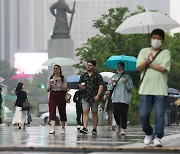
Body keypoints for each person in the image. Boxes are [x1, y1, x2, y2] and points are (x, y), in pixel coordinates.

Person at [137, 29, 171, 147]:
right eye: (154, 37)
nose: (156, 40)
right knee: (143, 114)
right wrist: (147, 60)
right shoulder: (144, 51)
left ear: (162, 40)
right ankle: (149, 132)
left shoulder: (165, 52)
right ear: (151, 38)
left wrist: (149, 63)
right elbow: (139, 68)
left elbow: (163, 68)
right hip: (145, 89)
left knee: (159, 115)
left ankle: (158, 137)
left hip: (160, 89)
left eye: (159, 38)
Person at [107, 62, 133, 135]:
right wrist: (112, 84)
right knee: (115, 113)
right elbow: (109, 87)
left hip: (124, 98)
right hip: (115, 98)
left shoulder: (127, 76)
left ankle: (123, 128)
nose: (119, 68)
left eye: (120, 66)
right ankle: (118, 125)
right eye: (118, 66)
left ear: (123, 67)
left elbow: (130, 87)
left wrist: (126, 82)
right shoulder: (114, 76)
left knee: (123, 114)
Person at [78, 60, 103, 135]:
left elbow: (101, 86)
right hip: (85, 96)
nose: (88, 66)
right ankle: (85, 127)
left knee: (94, 112)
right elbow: (79, 85)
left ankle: (94, 128)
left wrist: (98, 95)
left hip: (94, 97)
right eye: (87, 65)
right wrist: (81, 87)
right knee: (85, 112)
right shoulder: (83, 75)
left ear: (94, 66)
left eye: (90, 65)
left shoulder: (98, 76)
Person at [47, 64, 67, 134]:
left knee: (62, 111)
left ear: (59, 70)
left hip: (61, 94)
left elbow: (65, 89)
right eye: (54, 68)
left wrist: (60, 82)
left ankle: (63, 127)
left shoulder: (63, 78)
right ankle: (52, 128)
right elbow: (47, 90)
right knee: (52, 111)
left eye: (56, 68)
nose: (55, 70)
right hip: (53, 95)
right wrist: (50, 84)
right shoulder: (51, 78)